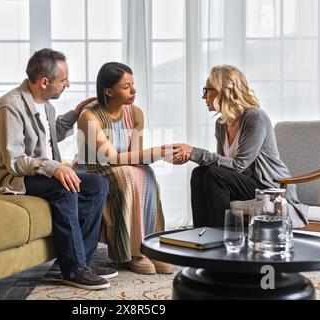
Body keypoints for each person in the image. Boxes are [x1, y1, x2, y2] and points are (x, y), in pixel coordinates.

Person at [0, 48, 118, 290]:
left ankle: (82, 260)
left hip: (37, 172)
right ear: (45, 82)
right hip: (13, 179)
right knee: (65, 187)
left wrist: (75, 114)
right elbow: (14, 161)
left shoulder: (44, 104)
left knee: (98, 184)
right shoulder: (8, 107)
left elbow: (47, 133)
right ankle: (73, 269)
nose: (68, 84)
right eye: (64, 80)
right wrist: (54, 167)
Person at [172, 65, 308, 228]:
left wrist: (194, 152)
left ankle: (218, 237)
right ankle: (201, 234)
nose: (203, 96)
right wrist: (190, 155)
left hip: (269, 187)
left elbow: (239, 165)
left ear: (223, 91)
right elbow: (221, 164)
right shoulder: (221, 123)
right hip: (245, 182)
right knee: (200, 173)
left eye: (206, 90)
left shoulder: (255, 118)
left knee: (215, 174)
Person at [75, 62, 173, 275]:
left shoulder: (135, 113)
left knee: (146, 173)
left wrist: (156, 155)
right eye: (126, 86)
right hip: (92, 167)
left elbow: (133, 157)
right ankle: (132, 252)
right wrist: (156, 152)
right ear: (109, 91)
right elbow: (109, 157)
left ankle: (151, 246)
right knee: (126, 176)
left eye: (133, 84)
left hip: (121, 166)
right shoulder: (88, 116)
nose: (134, 90)